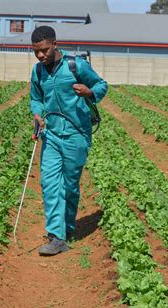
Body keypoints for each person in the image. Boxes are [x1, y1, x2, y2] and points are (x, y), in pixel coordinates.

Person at [29, 26, 108, 256]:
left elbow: (102, 85)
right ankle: (56, 236)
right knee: (50, 183)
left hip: (77, 135)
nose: (41, 56)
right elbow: (36, 99)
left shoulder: (76, 66)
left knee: (70, 186)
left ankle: (67, 227)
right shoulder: (38, 72)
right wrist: (37, 113)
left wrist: (89, 92)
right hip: (51, 135)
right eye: (36, 52)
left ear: (55, 44)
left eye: (44, 50)